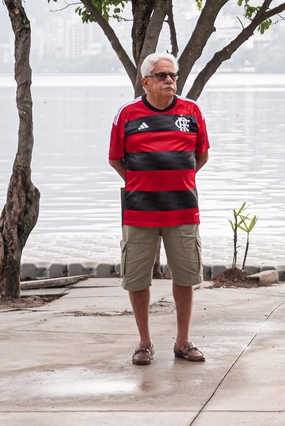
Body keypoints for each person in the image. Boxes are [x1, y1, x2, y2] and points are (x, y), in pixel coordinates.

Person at [109, 52, 210, 366]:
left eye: (173, 75)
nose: (170, 80)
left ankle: (183, 341)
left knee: (185, 275)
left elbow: (201, 155)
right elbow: (115, 158)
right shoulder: (126, 114)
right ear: (146, 82)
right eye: (162, 76)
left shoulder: (191, 111)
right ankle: (144, 342)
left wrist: (176, 179)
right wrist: (143, 182)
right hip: (140, 211)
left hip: (182, 211)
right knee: (137, 279)